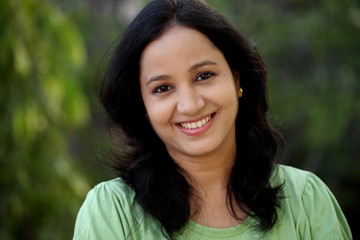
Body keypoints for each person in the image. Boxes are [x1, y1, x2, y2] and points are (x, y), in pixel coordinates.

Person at [73, 0, 352, 239]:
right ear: (143, 106)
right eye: (162, 88)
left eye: (204, 75)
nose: (190, 104)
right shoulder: (112, 213)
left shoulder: (307, 200)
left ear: (237, 79)